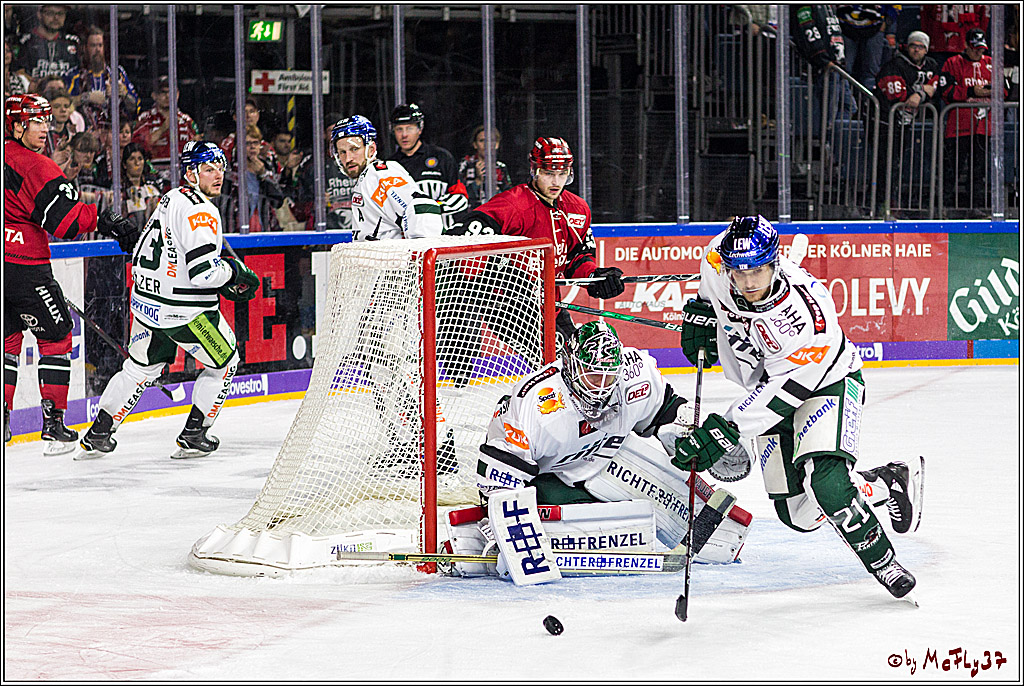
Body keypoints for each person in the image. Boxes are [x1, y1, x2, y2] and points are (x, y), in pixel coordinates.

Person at [675, 215, 925, 600]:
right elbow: (711, 297)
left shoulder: (809, 319)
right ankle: (883, 482)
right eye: (740, 273)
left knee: (828, 486)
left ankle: (884, 563)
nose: (749, 282)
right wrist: (704, 316)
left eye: (758, 270)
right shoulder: (716, 259)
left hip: (825, 385)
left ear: (775, 263)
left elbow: (784, 391)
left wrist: (727, 427)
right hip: (764, 388)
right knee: (798, 515)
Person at [78, 141, 262, 460]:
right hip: (185, 311)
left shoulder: (171, 197)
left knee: (139, 368)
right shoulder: (202, 209)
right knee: (225, 363)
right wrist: (233, 271)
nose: (217, 174)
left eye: (220, 167)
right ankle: (194, 433)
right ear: (191, 173)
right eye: (208, 169)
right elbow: (203, 274)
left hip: (148, 304)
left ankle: (98, 435)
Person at [4, 93, 138, 451]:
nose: (45, 127)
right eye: (36, 121)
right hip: (25, 267)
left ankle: (3, 420)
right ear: (17, 125)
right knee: (58, 335)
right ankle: (53, 425)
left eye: (47, 120)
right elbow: (66, 223)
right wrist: (105, 219)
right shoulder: (38, 166)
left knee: (8, 340)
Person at [449, 136, 625, 340]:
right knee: (552, 361)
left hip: (549, 304)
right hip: (508, 306)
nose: (556, 182)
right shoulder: (512, 205)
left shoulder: (578, 209)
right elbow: (461, 240)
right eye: (549, 173)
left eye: (562, 174)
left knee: (577, 362)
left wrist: (596, 278)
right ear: (535, 170)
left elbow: (577, 258)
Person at [330, 114, 444, 240]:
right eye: (342, 152)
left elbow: (422, 207)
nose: (348, 158)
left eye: (354, 149)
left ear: (371, 149)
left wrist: (423, 254)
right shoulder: (367, 178)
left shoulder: (380, 175)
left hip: (392, 259)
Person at [937, 28, 1006, 216]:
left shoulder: (991, 64)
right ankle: (945, 208)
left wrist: (989, 91)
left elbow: (1005, 89)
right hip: (958, 126)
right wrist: (970, 92)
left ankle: (975, 208)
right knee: (952, 168)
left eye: (982, 48)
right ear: (966, 45)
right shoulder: (952, 63)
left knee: (979, 170)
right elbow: (944, 91)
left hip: (984, 127)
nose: (979, 52)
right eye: (975, 47)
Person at [386, 103, 469, 230]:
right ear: (393, 131)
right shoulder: (390, 166)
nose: (404, 135)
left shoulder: (442, 157)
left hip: (443, 236)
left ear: (420, 129)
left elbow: (461, 198)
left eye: (409, 128)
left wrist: (432, 208)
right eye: (399, 129)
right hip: (406, 238)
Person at [64, 25, 139, 131]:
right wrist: (86, 97)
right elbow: (63, 105)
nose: (97, 50)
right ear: (85, 48)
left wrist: (124, 95)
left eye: (100, 45)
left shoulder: (117, 73)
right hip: (86, 134)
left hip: (114, 133)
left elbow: (135, 107)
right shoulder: (75, 75)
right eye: (93, 46)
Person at [131, 76, 200, 182]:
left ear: (177, 94)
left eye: (171, 91)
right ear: (154, 95)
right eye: (163, 92)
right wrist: (164, 127)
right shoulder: (145, 119)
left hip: (182, 179)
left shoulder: (187, 121)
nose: (168, 96)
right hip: (154, 178)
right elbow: (137, 147)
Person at [13, 5, 79, 92]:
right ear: (39, 14)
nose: (56, 18)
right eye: (50, 13)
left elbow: (79, 73)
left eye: (61, 13)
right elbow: (18, 73)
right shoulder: (25, 42)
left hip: (65, 99)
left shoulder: (73, 42)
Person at [835, 5, 900, 90]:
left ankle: (868, 101)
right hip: (845, 26)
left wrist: (887, 22)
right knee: (843, 70)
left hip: (874, 27)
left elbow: (895, 7)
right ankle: (844, 101)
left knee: (871, 73)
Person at [458, 124, 512, 208]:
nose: (486, 145)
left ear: (496, 144)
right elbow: (458, 196)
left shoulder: (500, 167)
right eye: (482, 140)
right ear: (475, 144)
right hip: (472, 214)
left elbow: (510, 197)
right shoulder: (466, 164)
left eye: (491, 141)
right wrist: (478, 181)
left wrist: (496, 189)